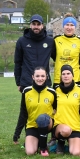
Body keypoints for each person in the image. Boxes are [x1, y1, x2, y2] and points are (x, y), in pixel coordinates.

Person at [13, 14, 55, 144]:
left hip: (45, 82)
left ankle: (51, 137)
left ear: (42, 25)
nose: (36, 27)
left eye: (38, 24)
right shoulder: (22, 41)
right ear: (30, 25)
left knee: (48, 109)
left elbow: (57, 59)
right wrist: (18, 82)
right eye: (34, 24)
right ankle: (28, 136)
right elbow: (17, 62)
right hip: (27, 82)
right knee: (28, 111)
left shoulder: (49, 41)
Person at [18, 67, 56, 156]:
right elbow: (23, 112)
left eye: (42, 76)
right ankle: (38, 140)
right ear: (33, 77)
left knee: (42, 118)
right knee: (30, 152)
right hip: (32, 125)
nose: (40, 78)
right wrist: (17, 133)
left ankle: (43, 148)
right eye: (37, 76)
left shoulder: (52, 92)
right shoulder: (26, 91)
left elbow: (56, 109)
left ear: (46, 77)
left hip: (48, 124)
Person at [53, 65, 80, 156]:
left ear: (73, 75)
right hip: (60, 126)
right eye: (63, 74)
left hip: (75, 126)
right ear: (61, 77)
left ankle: (70, 144)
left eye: (68, 73)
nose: (66, 76)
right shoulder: (55, 90)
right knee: (66, 130)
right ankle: (60, 143)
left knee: (76, 153)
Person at [52, 13, 80, 88]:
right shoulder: (56, 40)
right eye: (67, 25)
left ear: (75, 27)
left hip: (75, 79)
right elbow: (53, 56)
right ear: (63, 26)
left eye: (72, 25)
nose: (69, 27)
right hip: (59, 79)